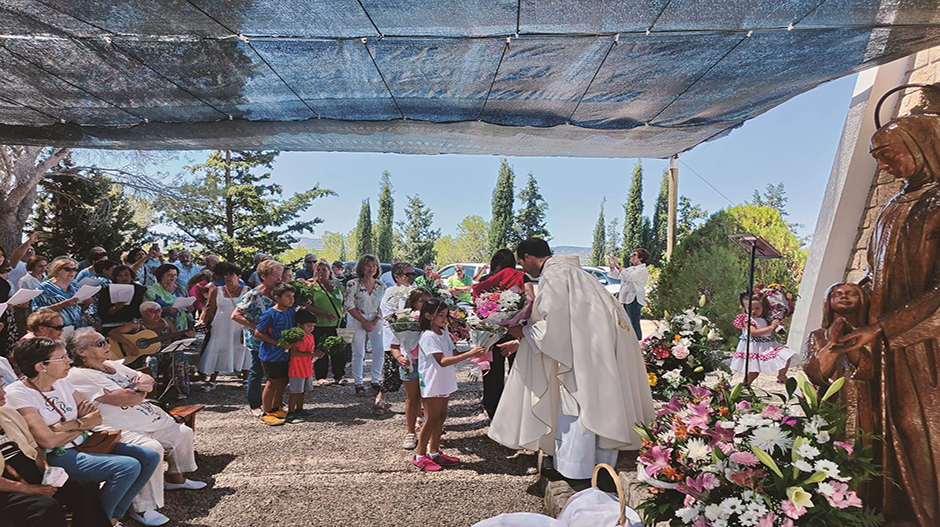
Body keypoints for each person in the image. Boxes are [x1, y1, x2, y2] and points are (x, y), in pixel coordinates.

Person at [489, 238, 655, 480]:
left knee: (578, 403)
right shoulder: (579, 275)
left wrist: (522, 332)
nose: (523, 269)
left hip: (581, 355)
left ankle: (576, 469)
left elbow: (554, 325)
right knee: (598, 402)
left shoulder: (556, 275)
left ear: (527, 256)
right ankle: (600, 465)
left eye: (521, 263)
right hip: (593, 349)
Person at [5, 338, 160, 524]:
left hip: (84, 443)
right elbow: (47, 441)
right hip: (56, 455)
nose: (69, 361)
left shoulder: (62, 382)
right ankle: (100, 520)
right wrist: (82, 424)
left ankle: (111, 517)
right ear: (41, 366)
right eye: (62, 358)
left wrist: (71, 425)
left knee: (149, 456)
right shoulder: (19, 393)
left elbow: (96, 417)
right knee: (127, 467)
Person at [66, 329, 206, 526]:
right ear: (81, 352)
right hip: (116, 427)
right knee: (152, 449)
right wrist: (137, 391)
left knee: (182, 432)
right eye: (99, 344)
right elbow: (122, 398)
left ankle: (176, 479)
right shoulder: (79, 374)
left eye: (105, 340)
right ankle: (143, 508)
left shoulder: (111, 366)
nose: (107, 345)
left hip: (145, 419)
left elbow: (146, 379)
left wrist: (136, 390)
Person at [0, 377, 111, 527]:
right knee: (45, 508)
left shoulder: (7, 413)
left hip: (29, 473)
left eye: (2, 386)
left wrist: (46, 470)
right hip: (6, 488)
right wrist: (30, 489)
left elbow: (34, 447)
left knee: (84, 487)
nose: (3, 392)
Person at [412, 299, 484, 471]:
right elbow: (442, 361)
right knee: (431, 419)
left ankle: (434, 451)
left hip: (443, 380)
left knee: (441, 417)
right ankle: (420, 454)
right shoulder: (428, 336)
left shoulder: (443, 332)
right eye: (441, 315)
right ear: (428, 316)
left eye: (446, 315)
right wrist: (470, 354)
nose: (444, 319)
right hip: (433, 380)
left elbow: (453, 352)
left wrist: (477, 348)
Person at [472, 249, 525, 420]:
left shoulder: (486, 281)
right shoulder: (520, 277)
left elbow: (477, 307)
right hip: (514, 331)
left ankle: (493, 410)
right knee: (518, 372)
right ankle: (517, 411)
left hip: (491, 333)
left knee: (493, 374)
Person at [232, 259, 284, 418]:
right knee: (257, 371)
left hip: (276, 339)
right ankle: (255, 404)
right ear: (262, 276)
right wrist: (256, 326)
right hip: (258, 341)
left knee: (277, 372)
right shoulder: (254, 295)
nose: (279, 279)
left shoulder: (278, 292)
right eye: (275, 276)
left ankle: (275, 402)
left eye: (280, 275)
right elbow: (235, 315)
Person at [109, 302, 194, 398]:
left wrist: (186, 337)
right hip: (140, 356)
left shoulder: (167, 323)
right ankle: (150, 393)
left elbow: (176, 338)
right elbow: (113, 332)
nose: (157, 314)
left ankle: (181, 391)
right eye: (152, 311)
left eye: (159, 311)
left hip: (164, 354)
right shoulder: (136, 324)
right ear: (143, 313)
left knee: (179, 356)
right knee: (151, 361)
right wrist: (129, 344)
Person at [389, 288, 431, 450]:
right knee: (412, 398)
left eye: (427, 301)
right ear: (413, 303)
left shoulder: (432, 319)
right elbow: (394, 346)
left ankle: (430, 431)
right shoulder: (402, 321)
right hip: (409, 363)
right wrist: (399, 357)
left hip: (429, 364)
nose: (425, 304)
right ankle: (410, 432)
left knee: (429, 398)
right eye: (421, 301)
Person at [199, 262, 249, 391]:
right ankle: (212, 380)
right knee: (218, 349)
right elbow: (210, 307)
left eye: (231, 274)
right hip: (220, 324)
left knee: (242, 349)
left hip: (239, 324)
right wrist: (203, 322)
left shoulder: (247, 290)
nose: (228, 277)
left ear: (238, 276)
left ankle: (246, 378)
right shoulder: (216, 290)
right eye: (226, 274)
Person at [253, 283, 298, 426]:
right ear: (277, 298)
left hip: (286, 354)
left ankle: (276, 407)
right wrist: (278, 343)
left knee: (283, 380)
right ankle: (266, 412)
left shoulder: (291, 312)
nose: (291, 299)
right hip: (271, 354)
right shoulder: (270, 314)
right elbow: (258, 332)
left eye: (292, 296)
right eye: (288, 296)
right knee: (272, 382)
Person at [730, 291, 798, 384]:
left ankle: (781, 375)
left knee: (786, 355)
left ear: (763, 307)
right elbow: (754, 332)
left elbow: (770, 330)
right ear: (745, 308)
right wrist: (770, 327)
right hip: (754, 347)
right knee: (754, 372)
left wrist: (777, 326)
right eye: (750, 308)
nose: (753, 311)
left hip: (768, 345)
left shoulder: (766, 319)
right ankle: (744, 385)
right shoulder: (748, 319)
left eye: (757, 308)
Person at [376, 262, 416, 415]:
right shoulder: (390, 292)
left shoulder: (416, 291)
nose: (412, 277)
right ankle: (381, 397)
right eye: (408, 274)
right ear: (397, 277)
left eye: (413, 274)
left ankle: (413, 403)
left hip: (413, 337)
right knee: (391, 371)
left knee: (412, 371)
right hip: (394, 336)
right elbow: (387, 313)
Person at [344, 255, 386, 398]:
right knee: (358, 351)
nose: (371, 269)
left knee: (379, 350)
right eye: (368, 265)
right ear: (362, 267)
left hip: (375, 318)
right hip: (357, 317)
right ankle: (358, 383)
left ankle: (375, 380)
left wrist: (374, 321)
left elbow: (383, 306)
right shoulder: (353, 284)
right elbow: (349, 305)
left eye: (374, 266)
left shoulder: (381, 286)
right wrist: (363, 321)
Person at [306, 262, 346, 385]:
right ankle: (320, 376)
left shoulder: (338, 285)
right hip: (320, 323)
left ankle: (339, 375)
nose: (321, 272)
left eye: (324, 269)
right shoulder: (312, 286)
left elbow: (346, 299)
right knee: (321, 350)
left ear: (330, 271)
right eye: (318, 269)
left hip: (339, 323)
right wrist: (323, 313)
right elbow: (307, 306)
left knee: (340, 351)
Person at [32, 258, 90, 330]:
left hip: (78, 327)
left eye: (74, 269)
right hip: (56, 330)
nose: (72, 272)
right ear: (56, 271)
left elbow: (77, 309)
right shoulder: (44, 288)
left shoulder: (74, 285)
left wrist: (86, 303)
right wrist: (61, 305)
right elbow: (35, 311)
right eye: (67, 269)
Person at [285, 310, 321, 424]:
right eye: (308, 326)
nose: (311, 328)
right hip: (297, 368)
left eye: (313, 326)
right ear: (300, 325)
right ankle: (290, 413)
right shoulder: (298, 337)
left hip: (307, 367)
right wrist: (312, 354)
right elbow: (294, 352)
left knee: (303, 391)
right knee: (295, 392)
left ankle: (299, 409)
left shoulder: (310, 336)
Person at [607, 248, 650, 341]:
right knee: (626, 322)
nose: (631, 256)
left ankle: (638, 343)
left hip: (635, 298)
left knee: (634, 322)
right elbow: (617, 276)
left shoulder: (642, 270)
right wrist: (612, 267)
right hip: (626, 298)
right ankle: (629, 343)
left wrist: (618, 266)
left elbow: (630, 277)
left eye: (633, 254)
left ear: (641, 258)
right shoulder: (630, 269)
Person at [98, 265, 147, 334]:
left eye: (127, 275)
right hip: (113, 325)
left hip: (135, 324)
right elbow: (102, 313)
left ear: (131, 276)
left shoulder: (141, 290)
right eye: (120, 275)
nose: (124, 278)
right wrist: (116, 308)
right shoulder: (106, 291)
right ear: (115, 277)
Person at [145, 264, 192, 332]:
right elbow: (145, 309)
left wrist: (190, 307)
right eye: (170, 275)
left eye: (175, 275)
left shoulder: (181, 289)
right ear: (161, 276)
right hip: (162, 326)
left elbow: (189, 308)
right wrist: (164, 309)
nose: (173, 277)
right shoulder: (152, 290)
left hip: (182, 323)